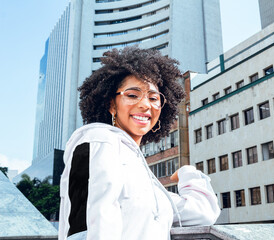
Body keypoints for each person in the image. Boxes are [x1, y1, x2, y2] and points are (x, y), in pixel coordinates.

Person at [58, 47, 220, 240]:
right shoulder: (98, 140)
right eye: (133, 95)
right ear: (111, 104)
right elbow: (87, 228)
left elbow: (203, 214)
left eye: (153, 98)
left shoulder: (147, 184)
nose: (145, 104)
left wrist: (188, 174)